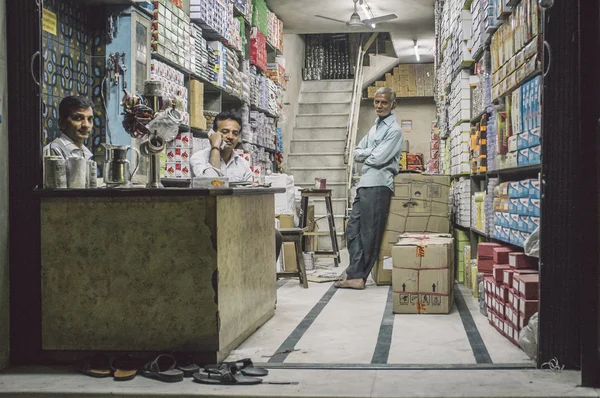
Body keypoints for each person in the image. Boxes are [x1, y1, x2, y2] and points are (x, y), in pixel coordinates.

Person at [190, 111, 283, 260]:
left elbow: (249, 193)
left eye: (235, 133)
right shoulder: (198, 158)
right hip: (207, 221)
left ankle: (261, 280)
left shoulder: (243, 164)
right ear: (213, 134)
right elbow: (213, 183)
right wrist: (215, 147)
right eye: (224, 132)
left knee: (275, 235)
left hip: (236, 218)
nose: (230, 137)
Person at [335, 87, 404, 290]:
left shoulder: (395, 131)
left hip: (379, 185)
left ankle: (360, 276)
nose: (379, 106)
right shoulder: (375, 128)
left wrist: (368, 153)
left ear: (393, 104)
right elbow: (354, 153)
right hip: (364, 183)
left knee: (370, 234)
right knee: (352, 229)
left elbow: (378, 158)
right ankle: (354, 272)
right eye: (376, 102)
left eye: (384, 102)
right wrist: (369, 152)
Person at [43, 96, 94, 160]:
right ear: (62, 122)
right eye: (78, 118)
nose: (86, 125)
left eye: (89, 119)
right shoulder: (53, 151)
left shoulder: (85, 152)